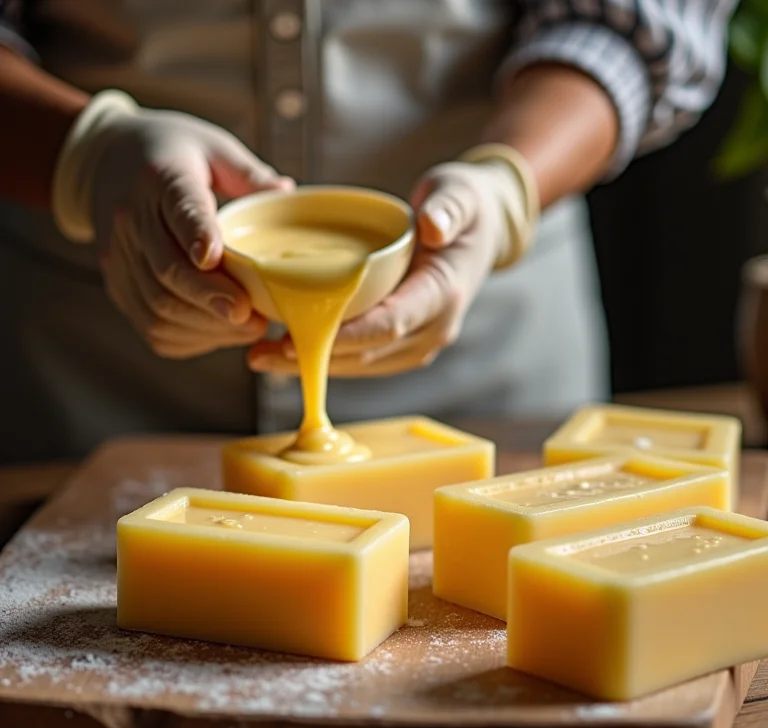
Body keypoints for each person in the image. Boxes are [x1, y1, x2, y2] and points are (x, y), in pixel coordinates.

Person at [0, 0, 735, 463]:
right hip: (87, 389)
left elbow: (637, 18)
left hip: (496, 378)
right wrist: (84, 156)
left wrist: (509, 185)